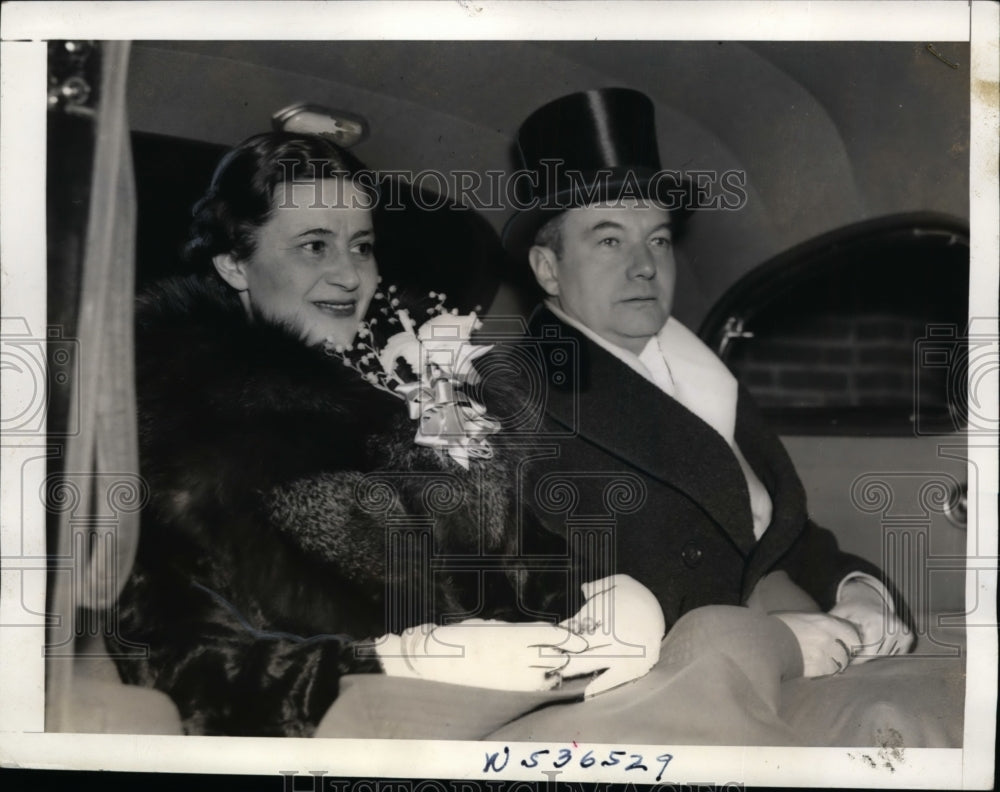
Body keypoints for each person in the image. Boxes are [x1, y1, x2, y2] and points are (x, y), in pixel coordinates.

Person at [109, 131, 661, 737]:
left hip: (534, 706)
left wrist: (605, 597)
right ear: (234, 264)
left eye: (362, 246)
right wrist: (401, 663)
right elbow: (185, 668)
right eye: (314, 247)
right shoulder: (179, 432)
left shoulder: (420, 388)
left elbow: (529, 559)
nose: (349, 275)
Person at [499, 88, 914, 680]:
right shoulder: (512, 400)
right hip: (684, 688)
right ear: (547, 269)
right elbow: (539, 601)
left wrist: (857, 588)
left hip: (794, 640)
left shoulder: (702, 372)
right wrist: (758, 641)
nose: (645, 265)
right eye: (610, 239)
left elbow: (776, 533)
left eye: (659, 239)